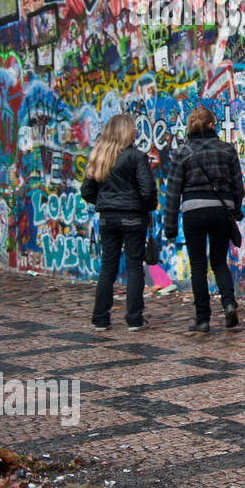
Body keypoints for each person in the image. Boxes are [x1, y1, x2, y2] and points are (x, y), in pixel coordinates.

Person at [165, 106, 245, 332]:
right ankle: (229, 303)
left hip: (193, 211)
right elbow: (238, 186)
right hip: (221, 210)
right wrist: (235, 211)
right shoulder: (227, 150)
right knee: (219, 262)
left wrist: (170, 226)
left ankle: (202, 319)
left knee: (198, 265)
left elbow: (173, 191)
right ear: (211, 124)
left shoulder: (182, 152)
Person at [81, 113, 156, 330]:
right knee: (134, 267)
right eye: (133, 128)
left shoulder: (99, 156)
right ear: (125, 131)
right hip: (133, 217)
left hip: (108, 218)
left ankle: (100, 318)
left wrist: (104, 202)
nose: (136, 131)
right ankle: (134, 318)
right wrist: (145, 206)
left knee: (108, 267)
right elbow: (148, 189)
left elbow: (86, 190)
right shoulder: (136, 157)